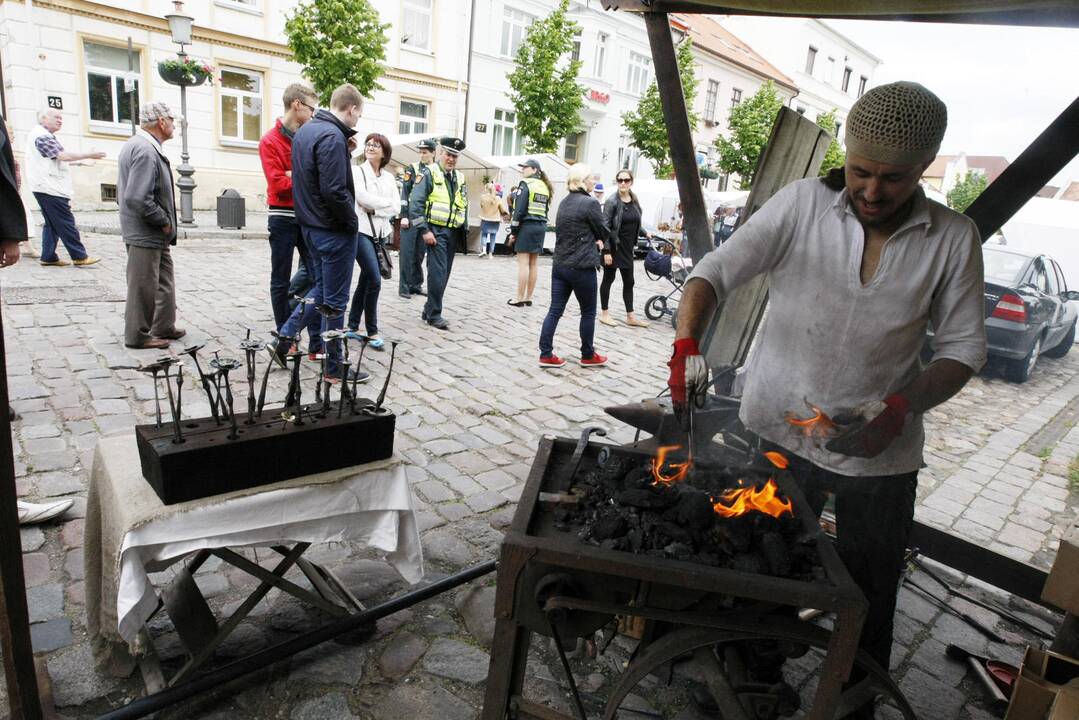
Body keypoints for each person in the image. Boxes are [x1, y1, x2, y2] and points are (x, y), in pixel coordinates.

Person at [667, 81, 985, 715]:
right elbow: (714, 273)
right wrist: (685, 346)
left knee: (868, 590)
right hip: (776, 428)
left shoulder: (953, 237)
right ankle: (747, 682)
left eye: (892, 179)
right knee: (760, 565)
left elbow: (961, 351)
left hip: (879, 454)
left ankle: (853, 698)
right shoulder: (803, 206)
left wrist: (897, 410)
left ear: (925, 168)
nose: (870, 191)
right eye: (861, 172)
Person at [269, 83, 368, 384]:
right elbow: (334, 189)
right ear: (351, 109)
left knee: (321, 292)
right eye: (358, 116)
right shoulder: (330, 135)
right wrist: (352, 222)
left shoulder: (307, 132)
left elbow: (311, 179)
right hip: (332, 230)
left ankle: (284, 337)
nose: (357, 121)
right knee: (335, 301)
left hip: (310, 226)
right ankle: (334, 367)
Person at [259, 82, 322, 355]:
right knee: (280, 279)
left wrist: (292, 175)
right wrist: (298, 178)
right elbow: (277, 184)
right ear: (296, 105)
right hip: (282, 218)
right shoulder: (270, 140)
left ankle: (312, 341)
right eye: (310, 108)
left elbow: (316, 177)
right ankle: (287, 340)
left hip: (306, 218)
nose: (312, 114)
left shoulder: (307, 138)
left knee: (320, 279)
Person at [118, 102, 184, 351]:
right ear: (161, 122)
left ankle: (163, 325)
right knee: (143, 285)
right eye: (172, 120)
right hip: (146, 231)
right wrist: (163, 220)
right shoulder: (144, 149)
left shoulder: (144, 146)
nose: (174, 125)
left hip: (152, 233)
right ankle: (137, 335)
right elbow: (136, 197)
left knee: (163, 279)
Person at [538, 163, 610, 369]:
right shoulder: (590, 203)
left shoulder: (564, 202)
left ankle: (545, 354)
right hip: (582, 266)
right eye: (591, 178)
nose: (594, 181)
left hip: (560, 265)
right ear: (581, 180)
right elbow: (603, 231)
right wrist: (597, 239)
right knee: (588, 312)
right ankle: (588, 355)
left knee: (554, 311)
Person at [25, 108, 103, 267]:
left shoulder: (43, 136)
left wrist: (81, 161)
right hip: (50, 187)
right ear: (44, 118)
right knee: (65, 222)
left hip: (45, 185)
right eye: (56, 117)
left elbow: (56, 159)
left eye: (61, 118)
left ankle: (48, 256)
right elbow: (62, 156)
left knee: (52, 223)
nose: (60, 120)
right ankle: (79, 256)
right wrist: (88, 154)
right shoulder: (42, 136)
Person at [408, 137, 468, 331]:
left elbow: (463, 203)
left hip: (452, 232)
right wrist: (424, 230)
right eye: (449, 154)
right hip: (435, 231)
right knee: (438, 274)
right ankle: (434, 314)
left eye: (455, 156)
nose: (451, 159)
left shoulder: (459, 177)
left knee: (445, 274)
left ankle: (428, 310)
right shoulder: (430, 173)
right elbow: (415, 204)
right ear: (441, 153)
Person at [347, 132, 397, 349]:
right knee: (375, 279)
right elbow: (361, 198)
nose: (371, 147)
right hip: (361, 231)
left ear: (384, 152)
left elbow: (397, 206)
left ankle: (352, 325)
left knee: (366, 279)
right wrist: (384, 206)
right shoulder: (357, 171)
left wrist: (377, 208)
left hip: (380, 233)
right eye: (368, 144)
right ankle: (372, 329)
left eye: (376, 145)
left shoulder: (389, 178)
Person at [600, 169, 651, 328]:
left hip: (627, 248)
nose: (623, 183)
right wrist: (606, 251)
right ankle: (605, 314)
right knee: (608, 279)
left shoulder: (634, 200)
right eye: (620, 180)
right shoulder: (612, 201)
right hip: (613, 247)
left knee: (629, 281)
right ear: (617, 182)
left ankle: (631, 316)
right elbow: (605, 227)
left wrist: (645, 232)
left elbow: (634, 222)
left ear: (631, 182)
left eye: (626, 180)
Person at [507, 159, 553, 306]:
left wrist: (514, 231)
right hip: (540, 226)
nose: (523, 170)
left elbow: (519, 210)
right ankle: (529, 297)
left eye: (525, 167)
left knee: (523, 264)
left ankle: (519, 298)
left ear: (534, 170)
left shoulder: (526, 184)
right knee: (534, 263)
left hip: (527, 226)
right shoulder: (545, 187)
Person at [397, 138, 436, 299]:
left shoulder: (435, 171)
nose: (421, 155)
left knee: (420, 252)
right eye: (420, 152)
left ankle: (415, 284)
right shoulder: (412, 169)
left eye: (425, 152)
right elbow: (405, 193)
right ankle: (404, 287)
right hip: (411, 217)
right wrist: (404, 216)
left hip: (425, 218)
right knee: (407, 253)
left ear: (433, 153)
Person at [478, 182, 507, 258]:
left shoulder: (483, 197)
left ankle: (484, 250)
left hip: (485, 219)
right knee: (493, 236)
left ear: (486, 189)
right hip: (495, 220)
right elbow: (502, 209)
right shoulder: (498, 198)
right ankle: (490, 254)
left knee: (484, 235)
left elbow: (481, 206)